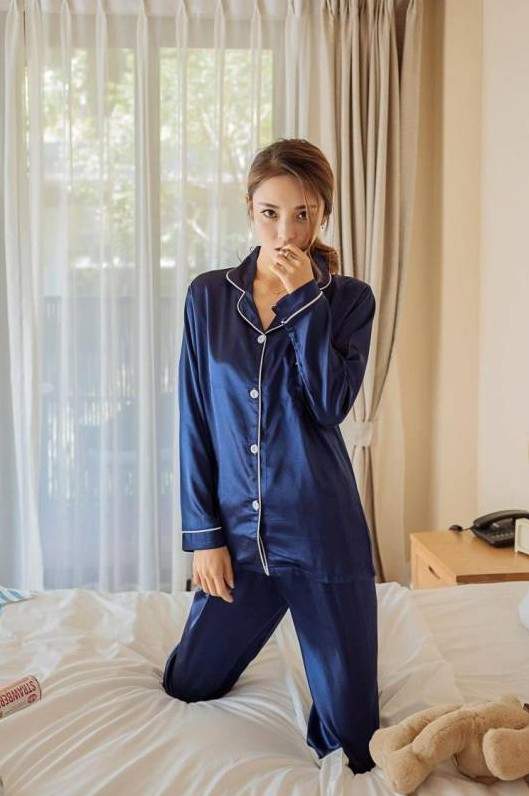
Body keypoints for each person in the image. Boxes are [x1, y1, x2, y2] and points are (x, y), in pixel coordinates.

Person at [162, 138, 380, 774]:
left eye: (303, 214)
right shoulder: (208, 297)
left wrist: (303, 300)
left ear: (323, 215)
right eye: (271, 213)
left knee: (353, 743)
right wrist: (204, 538)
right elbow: (195, 419)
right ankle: (275, 607)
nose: (286, 232)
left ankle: (316, 617)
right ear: (249, 210)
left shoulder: (349, 300)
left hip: (320, 537)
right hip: (238, 541)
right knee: (188, 685)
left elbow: (330, 404)